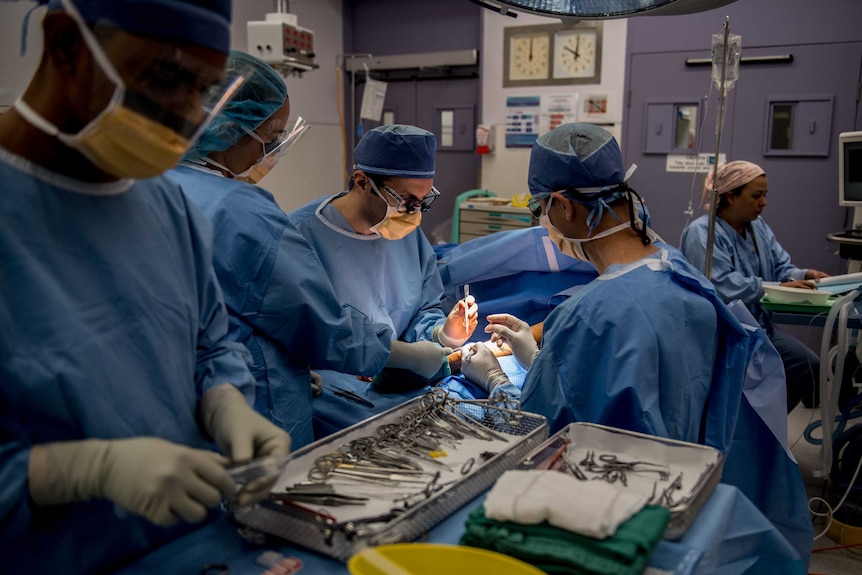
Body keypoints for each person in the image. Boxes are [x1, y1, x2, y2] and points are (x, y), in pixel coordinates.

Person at [0, 2, 290, 574]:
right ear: (64, 43)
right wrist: (72, 470)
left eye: (204, 90)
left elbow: (210, 346)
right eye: (164, 79)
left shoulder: (166, 204)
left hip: (189, 550)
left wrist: (224, 402)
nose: (186, 115)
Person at [460, 123, 750, 454]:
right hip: (690, 476)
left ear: (563, 206)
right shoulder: (683, 272)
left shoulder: (585, 317)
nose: (543, 220)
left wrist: (496, 381)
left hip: (612, 489)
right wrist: (539, 361)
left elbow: (539, 435)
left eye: (540, 209)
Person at [169, 50, 395, 449]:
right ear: (229, 129)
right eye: (271, 138)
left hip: (177, 406)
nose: (270, 153)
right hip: (248, 409)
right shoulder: (240, 211)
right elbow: (315, 320)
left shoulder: (153, 185)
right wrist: (394, 352)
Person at [287, 125, 477, 395]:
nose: (414, 213)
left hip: (389, 387)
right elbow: (296, 331)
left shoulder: (407, 235)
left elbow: (422, 309)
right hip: (327, 392)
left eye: (423, 201)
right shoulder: (298, 237)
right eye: (406, 200)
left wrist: (444, 332)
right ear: (362, 182)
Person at [680, 160, 828, 411]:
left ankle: (767, 427)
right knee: (737, 390)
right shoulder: (702, 233)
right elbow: (722, 285)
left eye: (765, 195)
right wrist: (777, 286)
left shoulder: (758, 228)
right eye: (756, 195)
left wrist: (804, 274)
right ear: (730, 197)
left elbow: (781, 267)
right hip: (725, 332)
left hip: (759, 328)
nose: (764, 202)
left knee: (808, 367)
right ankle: (744, 430)